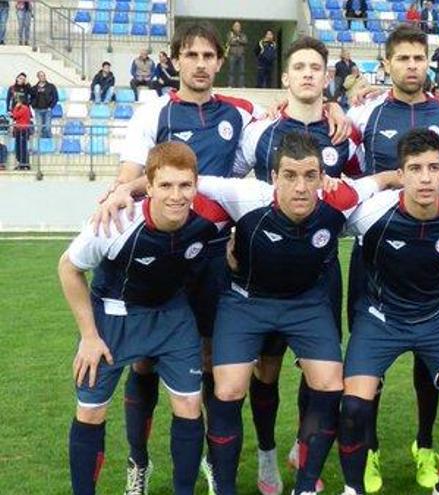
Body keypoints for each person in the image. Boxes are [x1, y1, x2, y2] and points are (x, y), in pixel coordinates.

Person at [92, 22, 266, 494]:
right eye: (192, 56)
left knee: (209, 361)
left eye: (210, 56)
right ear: (176, 61)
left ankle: (208, 460)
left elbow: (282, 129)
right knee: (144, 362)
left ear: (219, 60)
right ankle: (138, 461)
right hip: (164, 256)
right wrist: (117, 192)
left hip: (212, 258)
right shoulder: (154, 114)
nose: (202, 64)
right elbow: (131, 172)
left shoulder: (241, 114)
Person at [201, 132, 395, 495]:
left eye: (310, 176)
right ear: (273, 178)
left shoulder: (339, 200)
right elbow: (188, 178)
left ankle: (305, 487)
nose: (301, 186)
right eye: (290, 175)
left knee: (329, 383)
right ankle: (226, 487)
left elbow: (385, 179)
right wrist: (122, 191)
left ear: (323, 179)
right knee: (228, 389)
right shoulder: (245, 196)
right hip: (247, 302)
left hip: (306, 304)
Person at [345, 25, 439, 493]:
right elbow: (344, 172)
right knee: (368, 366)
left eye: (418, 57)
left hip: (426, 252)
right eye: (402, 58)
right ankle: (371, 450)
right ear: (387, 64)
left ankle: (425, 444)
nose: (411, 66)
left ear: (428, 61)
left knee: (429, 359)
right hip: (375, 252)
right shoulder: (364, 115)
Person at [233, 36, 366, 494]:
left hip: (321, 273)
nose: (308, 74)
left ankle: (302, 450)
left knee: (320, 371)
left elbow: (359, 193)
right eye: (300, 67)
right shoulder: (260, 131)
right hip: (265, 274)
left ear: (327, 77)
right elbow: (234, 189)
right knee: (265, 370)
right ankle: (267, 455)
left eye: (316, 67)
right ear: (286, 77)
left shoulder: (344, 135)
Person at [58, 142, 229, 495]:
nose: (176, 196)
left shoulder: (210, 217)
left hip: (172, 316)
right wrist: (89, 337)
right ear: (147, 188)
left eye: (185, 185)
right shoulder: (115, 222)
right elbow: (68, 268)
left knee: (189, 404)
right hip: (113, 318)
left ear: (196, 185)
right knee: (90, 412)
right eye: (165, 185)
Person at [337, 129, 439, 495]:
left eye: (433, 169)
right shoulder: (373, 212)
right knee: (354, 407)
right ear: (401, 174)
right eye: (415, 168)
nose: (425, 177)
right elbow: (323, 219)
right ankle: (352, 488)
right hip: (380, 320)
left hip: (436, 319)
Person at [28, 70, 57, 139]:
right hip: (38, 110)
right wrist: (33, 105)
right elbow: (30, 96)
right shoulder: (34, 88)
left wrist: (51, 106)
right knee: (39, 129)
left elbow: (55, 97)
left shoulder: (51, 86)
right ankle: (40, 146)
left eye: (44, 75)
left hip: (47, 110)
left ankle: (49, 144)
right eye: (41, 76)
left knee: (47, 128)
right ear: (38, 77)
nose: (43, 77)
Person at [10, 95, 31, 170]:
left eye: (18, 101)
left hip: (23, 130)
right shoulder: (21, 108)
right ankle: (22, 163)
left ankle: (24, 164)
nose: (16, 103)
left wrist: (15, 108)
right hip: (18, 130)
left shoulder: (24, 108)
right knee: (19, 147)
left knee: (22, 147)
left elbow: (15, 115)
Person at [225, 21, 248, 88]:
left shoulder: (243, 35)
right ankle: (230, 85)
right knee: (231, 71)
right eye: (235, 26)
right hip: (232, 54)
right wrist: (238, 40)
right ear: (233, 27)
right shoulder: (230, 34)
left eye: (238, 26)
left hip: (241, 55)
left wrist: (237, 40)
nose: (237, 27)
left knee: (242, 71)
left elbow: (245, 41)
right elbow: (230, 41)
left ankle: (241, 85)